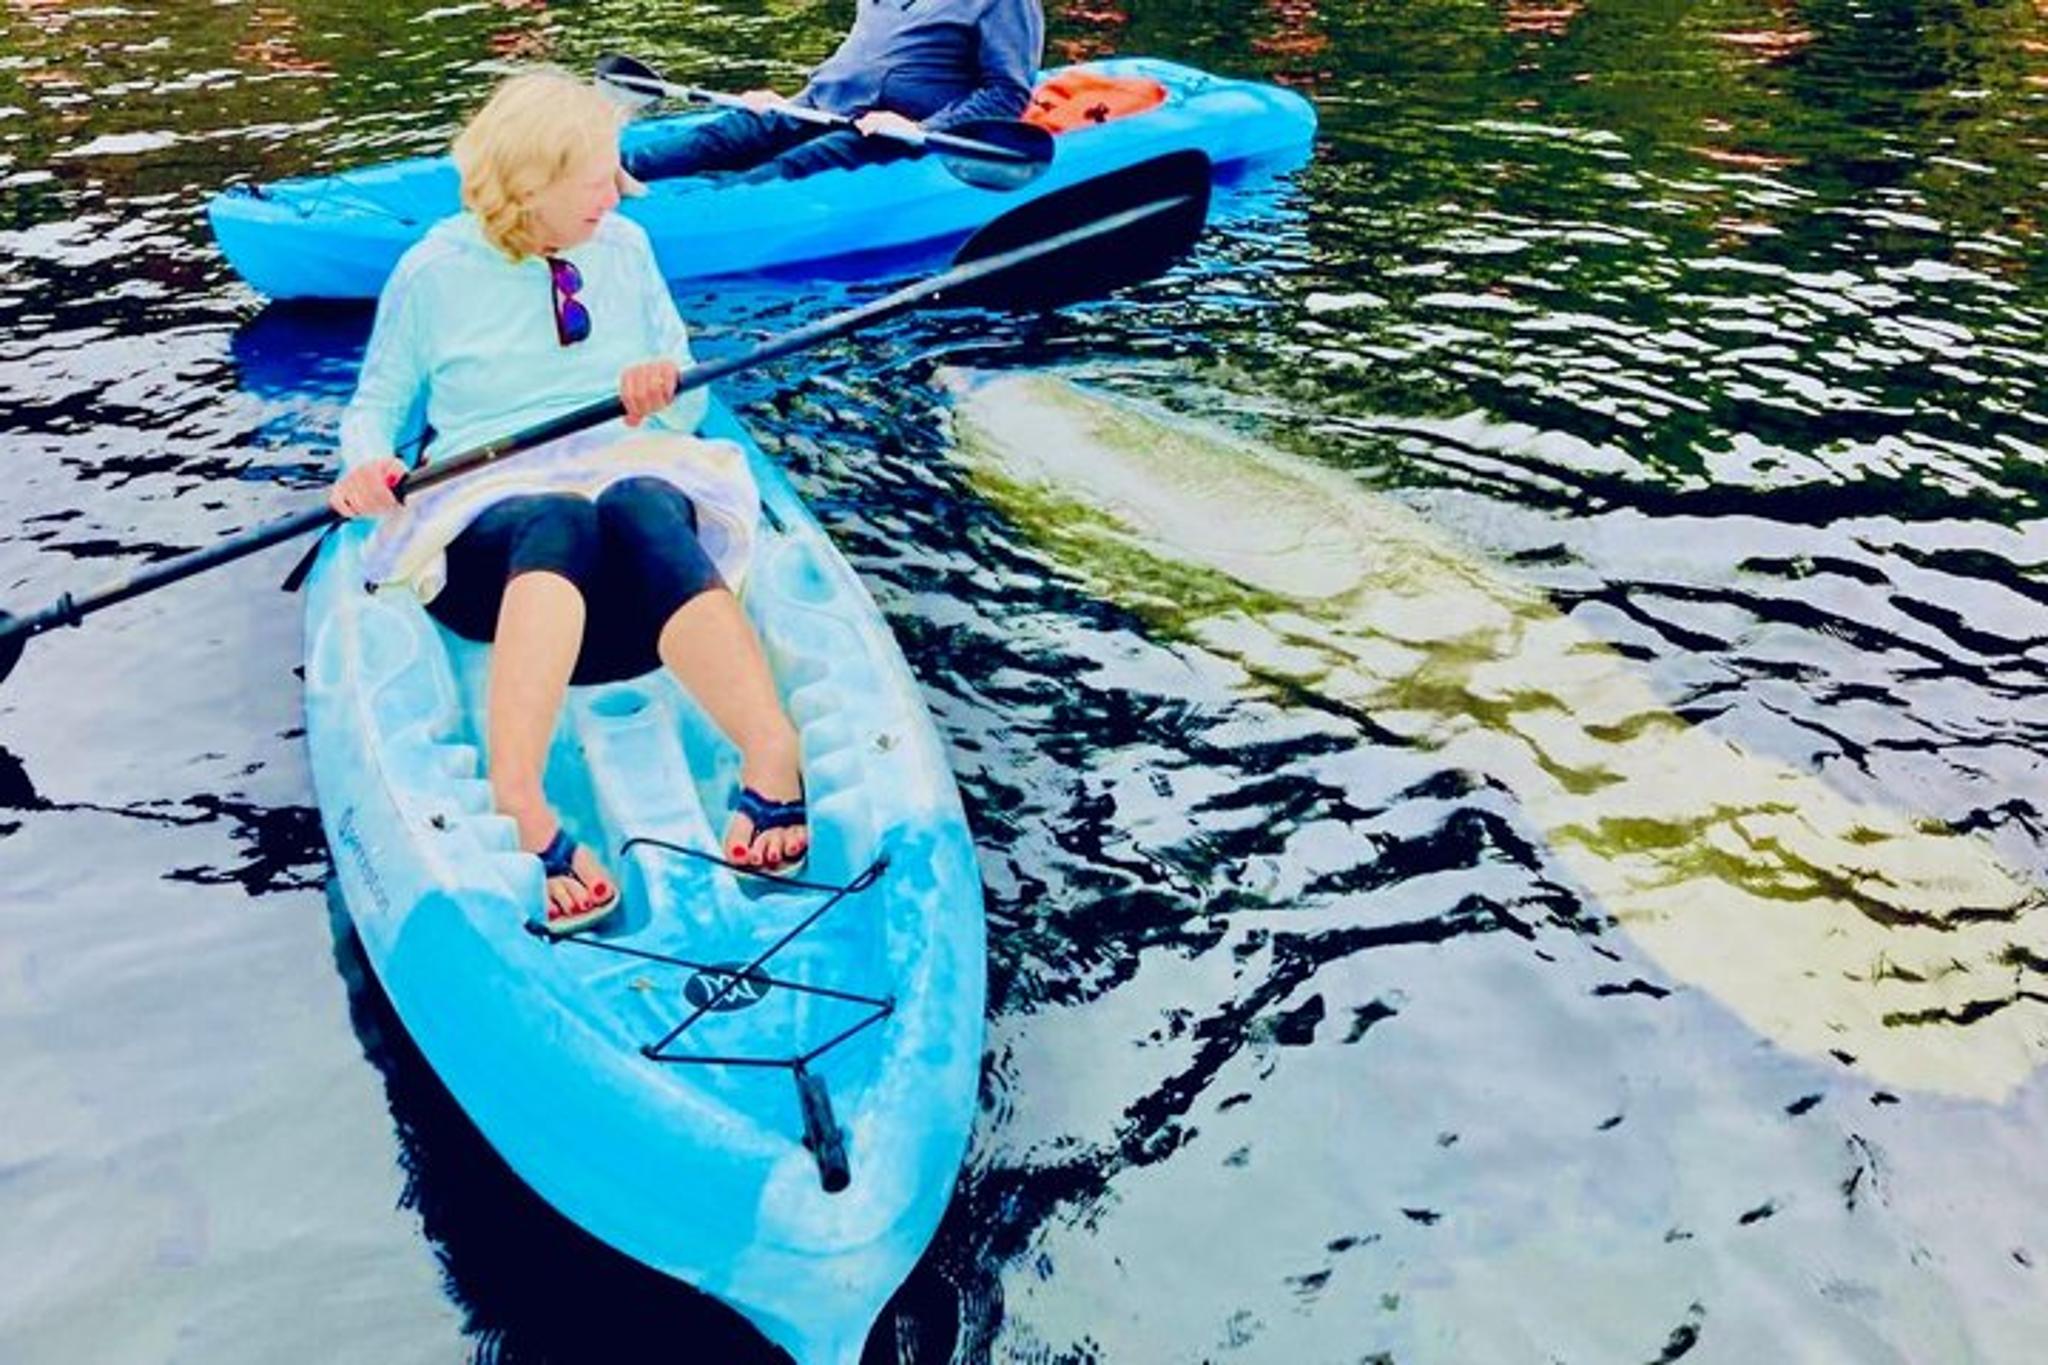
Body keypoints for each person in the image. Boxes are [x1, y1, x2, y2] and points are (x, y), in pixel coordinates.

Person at [329, 69, 809, 935]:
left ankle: (771, 748)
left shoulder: (624, 247)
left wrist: (662, 391)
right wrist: (367, 465)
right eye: (594, 178)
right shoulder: (433, 270)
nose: (615, 192)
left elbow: (690, 399)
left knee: (639, 500)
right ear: (528, 184)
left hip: (630, 596)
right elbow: (375, 410)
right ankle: (520, 796)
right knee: (561, 518)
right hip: (497, 523)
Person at [625, 0, 1044, 183]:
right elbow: (862, 61)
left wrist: (923, 129)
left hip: (893, 134)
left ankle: (693, 218)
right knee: (721, 136)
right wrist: (787, 102)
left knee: (787, 170)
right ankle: (605, 174)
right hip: (818, 106)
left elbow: (1007, 94)